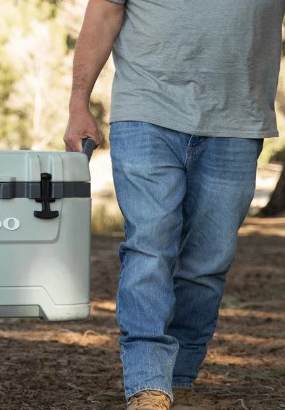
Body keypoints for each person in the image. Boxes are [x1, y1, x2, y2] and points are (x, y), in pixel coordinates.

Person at [64, 1, 282, 409]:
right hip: (146, 109)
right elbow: (105, 11)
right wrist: (80, 103)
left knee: (207, 263)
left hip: (237, 119)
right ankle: (149, 384)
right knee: (150, 247)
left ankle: (179, 377)